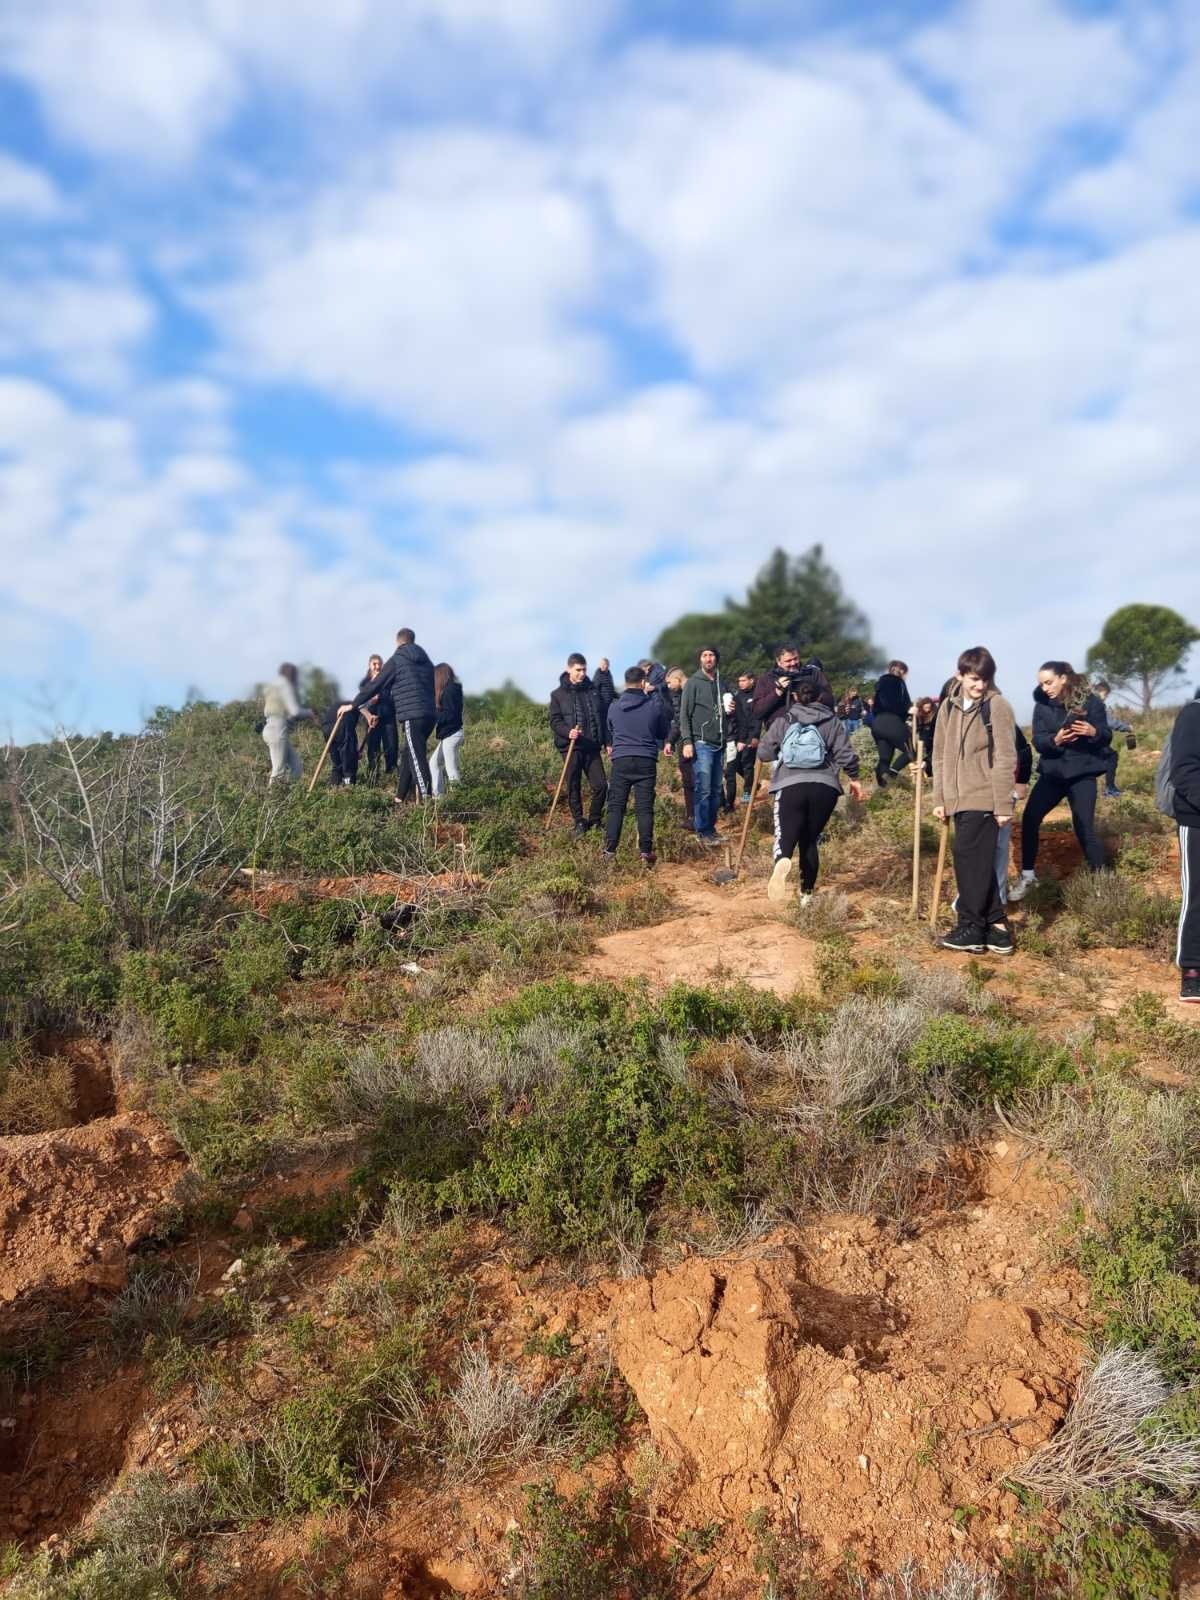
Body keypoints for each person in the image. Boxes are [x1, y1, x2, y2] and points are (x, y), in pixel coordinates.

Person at [931, 647, 1018, 955]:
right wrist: (939, 797)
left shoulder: (997, 706)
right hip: (956, 799)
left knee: (969, 862)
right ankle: (997, 929)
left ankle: (970, 926)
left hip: (984, 796)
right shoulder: (948, 707)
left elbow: (1006, 757)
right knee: (975, 863)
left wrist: (1003, 805)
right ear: (960, 675)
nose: (980, 685)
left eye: (985, 679)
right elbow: (939, 755)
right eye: (974, 679)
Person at [757, 668, 863, 905]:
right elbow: (845, 754)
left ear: (795, 696)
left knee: (785, 836)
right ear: (819, 697)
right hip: (825, 787)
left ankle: (782, 860)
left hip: (790, 784)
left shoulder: (785, 720)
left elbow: (764, 753)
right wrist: (855, 778)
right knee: (809, 840)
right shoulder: (832, 721)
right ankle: (806, 896)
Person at [1011, 661, 1111, 899]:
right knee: (1030, 819)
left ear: (1063, 678)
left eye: (1049, 682)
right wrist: (1055, 740)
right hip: (1053, 774)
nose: (1045, 688)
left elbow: (1106, 735)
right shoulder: (1041, 707)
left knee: (1084, 826)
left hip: (1082, 773)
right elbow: (1038, 741)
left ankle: (1102, 884)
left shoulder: (1091, 702)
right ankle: (1028, 877)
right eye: (1041, 684)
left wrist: (1093, 732)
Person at [341, 627, 436, 803]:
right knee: (409, 753)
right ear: (412, 640)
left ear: (398, 642)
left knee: (417, 758)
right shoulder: (427, 661)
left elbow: (375, 685)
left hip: (412, 715)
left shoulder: (397, 659)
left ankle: (429, 804)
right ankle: (400, 797)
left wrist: (353, 705)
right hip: (430, 715)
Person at [603, 665, 671, 867]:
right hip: (645, 760)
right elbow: (662, 732)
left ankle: (609, 852)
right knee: (644, 808)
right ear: (643, 683)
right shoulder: (653, 706)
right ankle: (645, 853)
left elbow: (610, 729)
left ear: (625, 683)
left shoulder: (614, 707)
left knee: (616, 807)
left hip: (621, 759)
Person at [548, 653, 608, 835]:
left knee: (601, 786)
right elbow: (555, 721)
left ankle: (595, 820)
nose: (582, 673)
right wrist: (568, 732)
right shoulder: (557, 695)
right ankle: (579, 822)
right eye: (578, 670)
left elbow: (602, 718)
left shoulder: (593, 691)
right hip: (571, 747)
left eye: (584, 670)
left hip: (592, 746)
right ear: (569, 669)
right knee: (573, 786)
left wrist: (608, 741)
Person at [679, 646, 729, 846]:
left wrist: (730, 710)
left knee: (716, 789)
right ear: (700, 659)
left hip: (720, 742)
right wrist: (687, 741)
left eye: (711, 655)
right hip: (701, 742)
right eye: (705, 655)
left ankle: (711, 829)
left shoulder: (721, 683)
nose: (708, 659)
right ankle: (702, 831)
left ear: (716, 659)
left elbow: (724, 710)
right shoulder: (693, 683)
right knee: (704, 787)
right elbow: (684, 714)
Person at [1171, 689, 1200, 1003]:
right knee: (1197, 894)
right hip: (1196, 819)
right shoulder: (1194, 714)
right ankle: (1193, 967)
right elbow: (1184, 771)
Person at [261, 663, 314, 782]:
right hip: (277, 729)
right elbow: (295, 711)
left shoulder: (273, 687)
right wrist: (309, 713)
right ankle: (272, 794)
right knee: (278, 771)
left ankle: (289, 791)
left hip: (272, 728)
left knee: (297, 767)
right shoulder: (285, 685)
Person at [871, 660, 913, 787]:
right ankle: (892, 774)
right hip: (892, 721)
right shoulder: (898, 683)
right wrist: (909, 710)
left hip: (877, 723)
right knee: (912, 750)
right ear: (902, 671)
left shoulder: (880, 683)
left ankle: (883, 788)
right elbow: (902, 703)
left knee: (885, 758)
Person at [664, 667, 695, 830]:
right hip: (684, 742)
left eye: (670, 683)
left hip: (698, 742)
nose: (669, 686)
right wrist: (670, 741)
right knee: (688, 780)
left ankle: (703, 818)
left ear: (677, 678)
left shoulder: (695, 690)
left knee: (698, 780)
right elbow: (678, 721)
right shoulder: (676, 696)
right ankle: (691, 817)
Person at [724, 669, 759, 809]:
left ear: (751, 681)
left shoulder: (757, 695)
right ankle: (754, 785)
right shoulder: (737, 696)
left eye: (743, 680)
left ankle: (747, 795)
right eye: (739, 681)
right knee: (735, 766)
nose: (740, 683)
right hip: (738, 737)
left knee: (747, 765)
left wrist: (755, 736)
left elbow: (757, 718)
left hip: (751, 736)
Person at [360, 654, 398, 781]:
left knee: (391, 747)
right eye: (374, 664)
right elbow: (360, 704)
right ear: (369, 665)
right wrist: (371, 701)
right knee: (373, 749)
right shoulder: (364, 683)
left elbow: (394, 698)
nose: (377, 666)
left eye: (379, 664)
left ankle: (392, 776)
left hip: (388, 719)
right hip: (372, 720)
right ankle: (373, 778)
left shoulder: (388, 680)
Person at [1092, 680, 1132, 798]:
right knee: (1111, 757)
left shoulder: (1087, 701)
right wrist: (1126, 727)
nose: (1106, 697)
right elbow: (1110, 722)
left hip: (1092, 741)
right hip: (1094, 742)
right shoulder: (1096, 703)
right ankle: (1110, 789)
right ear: (1101, 691)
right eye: (1106, 694)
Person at [431, 663, 464, 796]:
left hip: (452, 734)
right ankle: (438, 796)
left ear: (440, 676)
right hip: (451, 734)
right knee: (434, 763)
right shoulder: (451, 690)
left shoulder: (449, 691)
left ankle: (458, 797)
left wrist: (433, 716)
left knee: (451, 768)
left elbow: (450, 714)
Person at [322, 690, 359, 786]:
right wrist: (369, 716)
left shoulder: (341, 700)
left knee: (337, 763)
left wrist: (355, 750)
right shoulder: (357, 699)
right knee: (349, 762)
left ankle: (334, 786)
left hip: (326, 726)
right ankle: (348, 787)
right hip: (341, 724)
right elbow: (361, 707)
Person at [914, 697, 937, 779]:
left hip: (933, 737)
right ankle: (926, 773)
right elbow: (917, 727)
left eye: (929, 708)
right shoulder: (919, 715)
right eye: (926, 708)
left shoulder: (934, 714)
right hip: (924, 737)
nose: (928, 710)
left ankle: (930, 772)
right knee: (925, 754)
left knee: (932, 755)